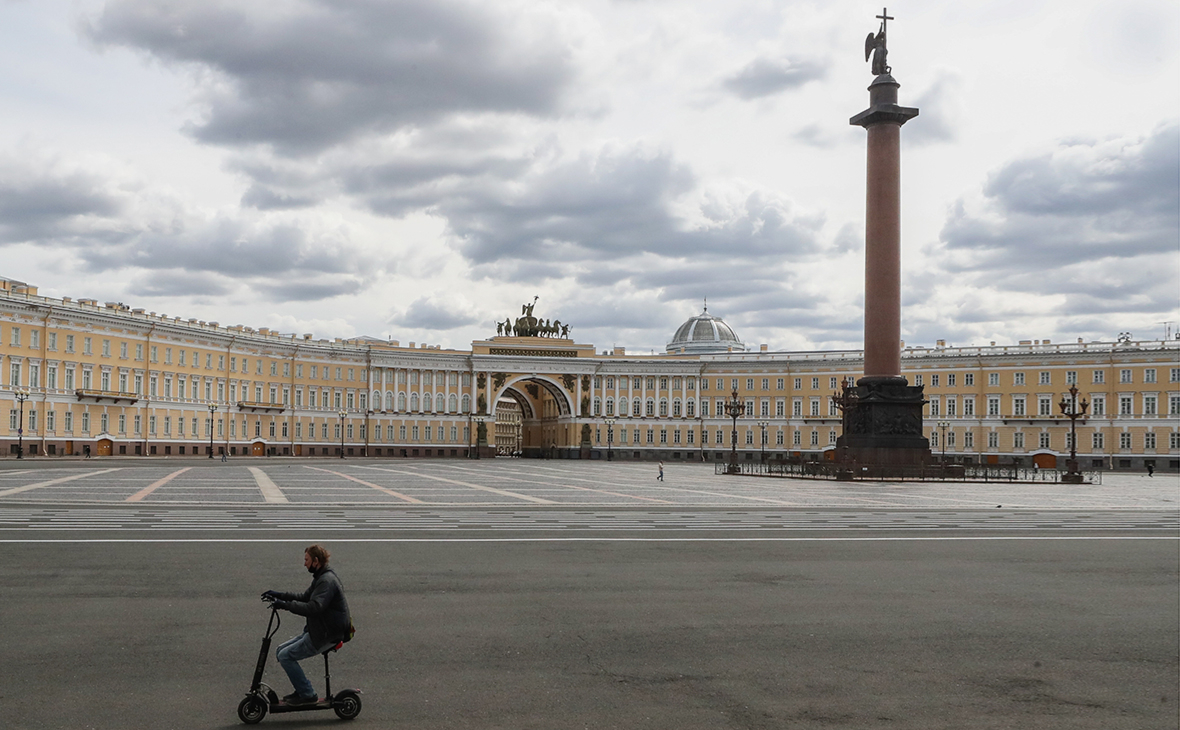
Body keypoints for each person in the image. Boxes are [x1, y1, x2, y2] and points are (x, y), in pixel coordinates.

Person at [262, 544, 352, 705]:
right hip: (318, 628)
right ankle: (301, 688)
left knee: (285, 656)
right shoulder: (321, 577)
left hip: (327, 634)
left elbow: (314, 608)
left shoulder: (326, 581)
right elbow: (304, 597)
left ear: (316, 561)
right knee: (280, 651)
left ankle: (307, 694)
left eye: (306, 560)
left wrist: (284, 605)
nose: (304, 564)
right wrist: (279, 595)